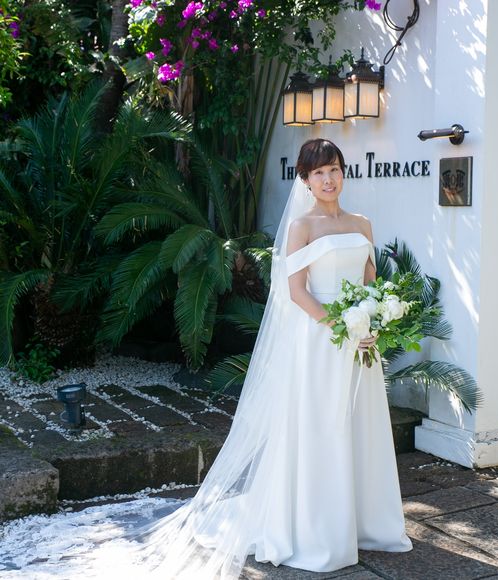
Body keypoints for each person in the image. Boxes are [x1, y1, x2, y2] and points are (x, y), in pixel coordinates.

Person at [0, 139, 412, 579]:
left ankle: (365, 523)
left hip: (361, 343)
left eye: (334, 170)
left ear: (343, 172)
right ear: (306, 180)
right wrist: (342, 324)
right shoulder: (302, 226)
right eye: (318, 173)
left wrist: (373, 321)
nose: (328, 180)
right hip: (322, 341)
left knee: (360, 424)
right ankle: (322, 530)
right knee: (323, 428)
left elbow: (370, 280)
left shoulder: (362, 223)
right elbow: (296, 292)